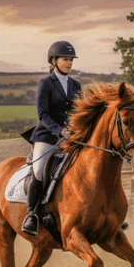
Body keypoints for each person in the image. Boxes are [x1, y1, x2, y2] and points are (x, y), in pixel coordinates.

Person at [22, 41, 82, 236]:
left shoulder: (76, 85)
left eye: (71, 60)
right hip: (47, 136)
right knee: (39, 169)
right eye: (65, 59)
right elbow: (43, 115)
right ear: (54, 61)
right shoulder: (45, 84)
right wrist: (60, 131)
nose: (69, 63)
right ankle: (31, 214)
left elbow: (79, 112)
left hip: (71, 136)